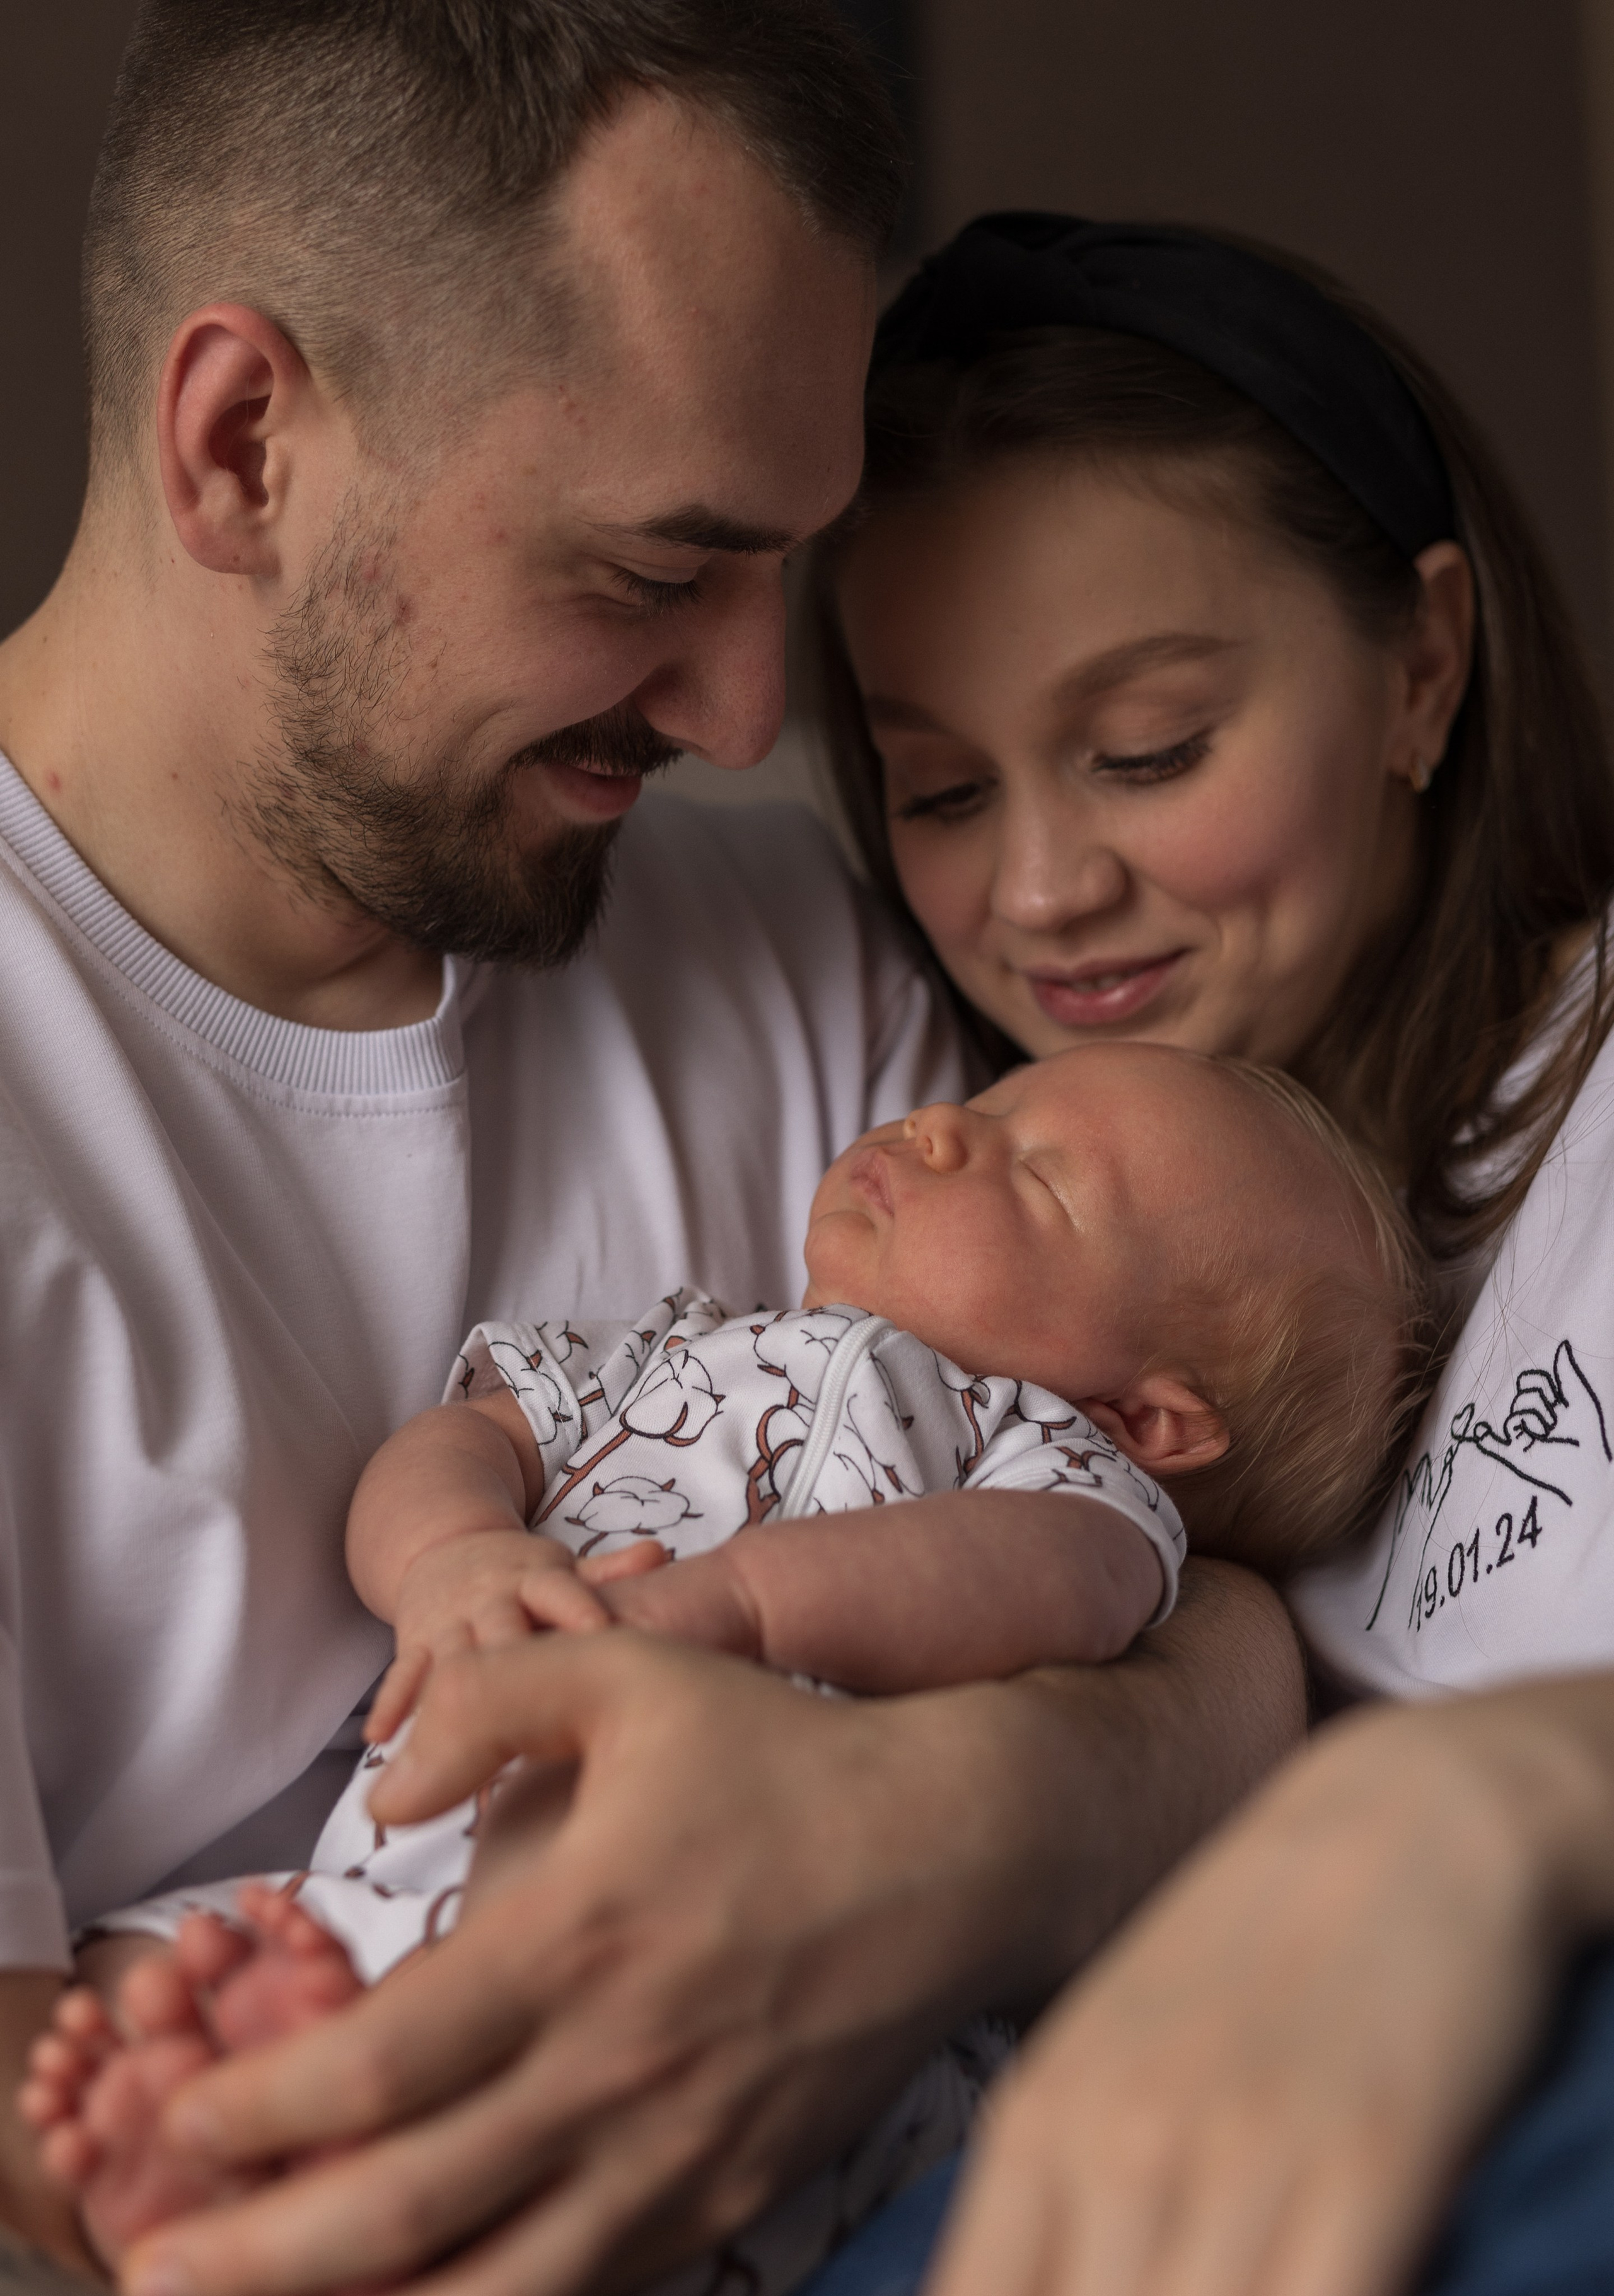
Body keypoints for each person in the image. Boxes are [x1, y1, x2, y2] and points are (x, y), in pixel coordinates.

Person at [0, 21, 1309, 2295]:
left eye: (777, 576)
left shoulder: (781, 951)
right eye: (651, 571)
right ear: (243, 444)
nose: (744, 717)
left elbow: (1177, 1578)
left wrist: (935, 1834)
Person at [26, 1042, 1429, 2292]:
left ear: (1146, 1415)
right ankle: (203, 2139)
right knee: (135, 1965)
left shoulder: (1057, 1466)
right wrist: (450, 1555)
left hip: (759, 1947)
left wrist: (741, 1611)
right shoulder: (679, 1337)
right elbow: (469, 1437)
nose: (940, 1127)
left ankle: (300, 2144)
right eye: (986, 1102)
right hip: (390, 1864)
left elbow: (1045, 1583)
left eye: (1042, 1180)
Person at [787, 214, 1614, 2295]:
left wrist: (1500, 1789)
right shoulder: (958, 1228)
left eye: (1149, 747)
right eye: (941, 789)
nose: (1048, 892)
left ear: (1424, 665)